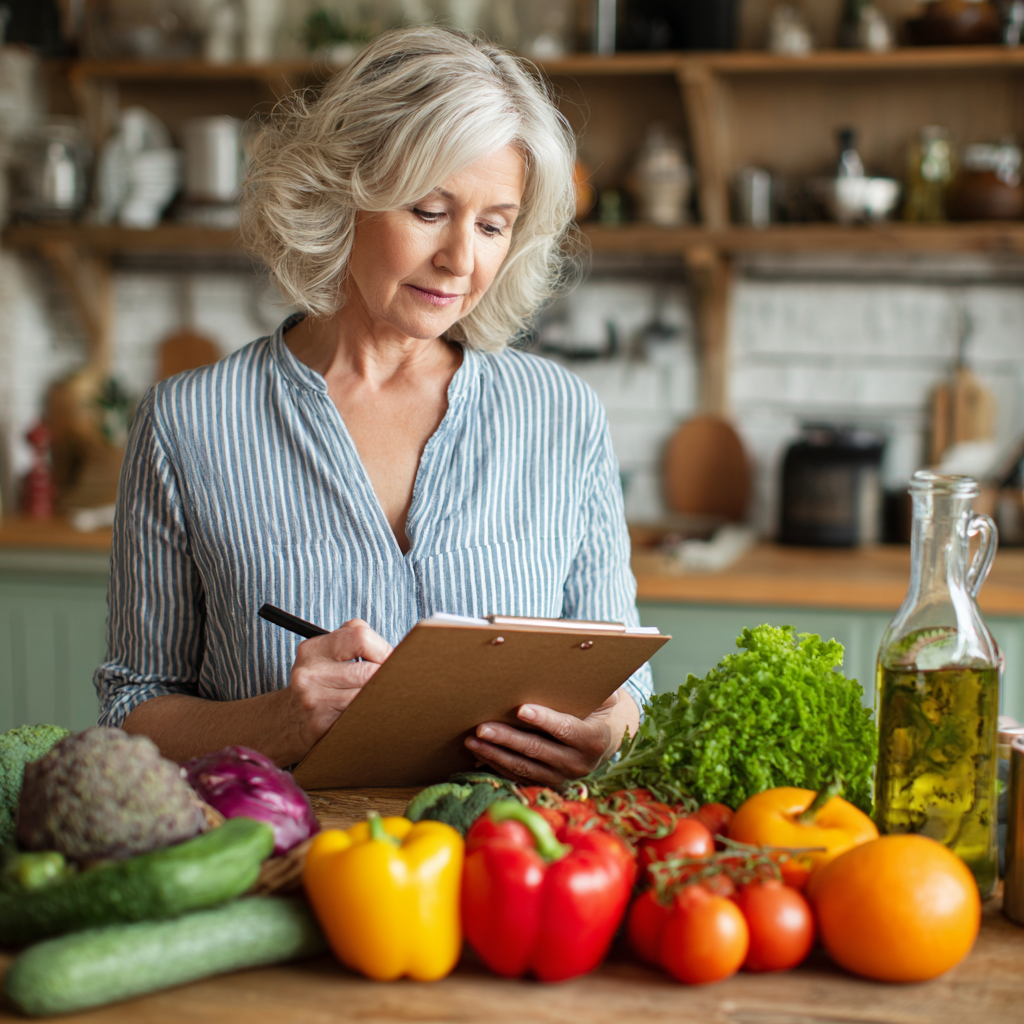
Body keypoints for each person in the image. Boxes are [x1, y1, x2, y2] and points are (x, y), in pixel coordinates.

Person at [95, 26, 652, 786]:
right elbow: (133, 705)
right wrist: (277, 722)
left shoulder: (561, 414)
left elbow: (623, 685)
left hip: (518, 872)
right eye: (429, 211)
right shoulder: (188, 423)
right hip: (276, 867)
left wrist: (607, 729)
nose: (462, 260)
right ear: (343, 195)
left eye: (493, 225)